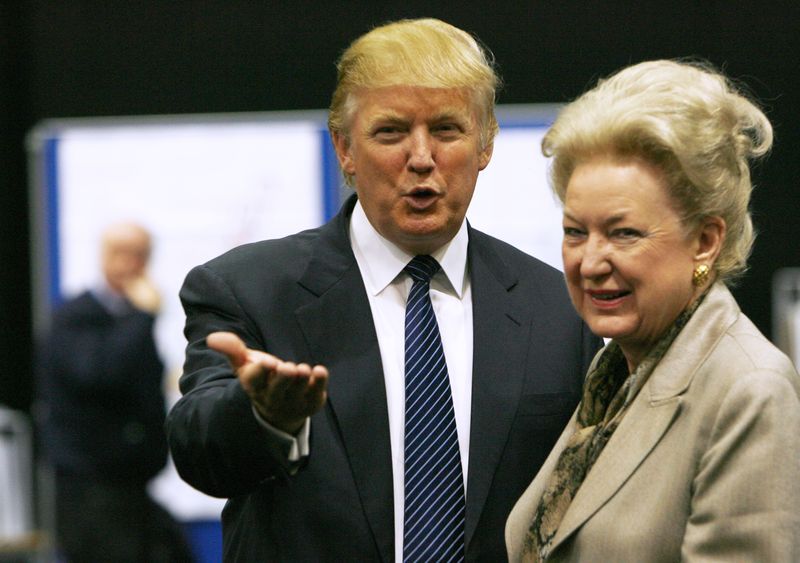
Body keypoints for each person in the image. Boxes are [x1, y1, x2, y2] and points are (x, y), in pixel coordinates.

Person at [166, 18, 601, 561]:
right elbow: (199, 453)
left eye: (446, 130)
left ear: (486, 143)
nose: (421, 158)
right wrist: (262, 417)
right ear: (345, 148)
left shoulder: (560, 308)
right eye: (391, 132)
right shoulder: (247, 289)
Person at [505, 60, 800, 562]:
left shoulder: (750, 390)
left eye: (624, 233)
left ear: (705, 241)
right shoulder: (615, 372)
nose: (590, 262)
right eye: (576, 232)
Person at [37, 222, 193, 563]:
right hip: (91, 487)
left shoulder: (129, 320)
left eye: (140, 255)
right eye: (120, 253)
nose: (130, 264)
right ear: (102, 256)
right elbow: (97, 375)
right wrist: (141, 316)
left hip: (134, 484)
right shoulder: (75, 317)